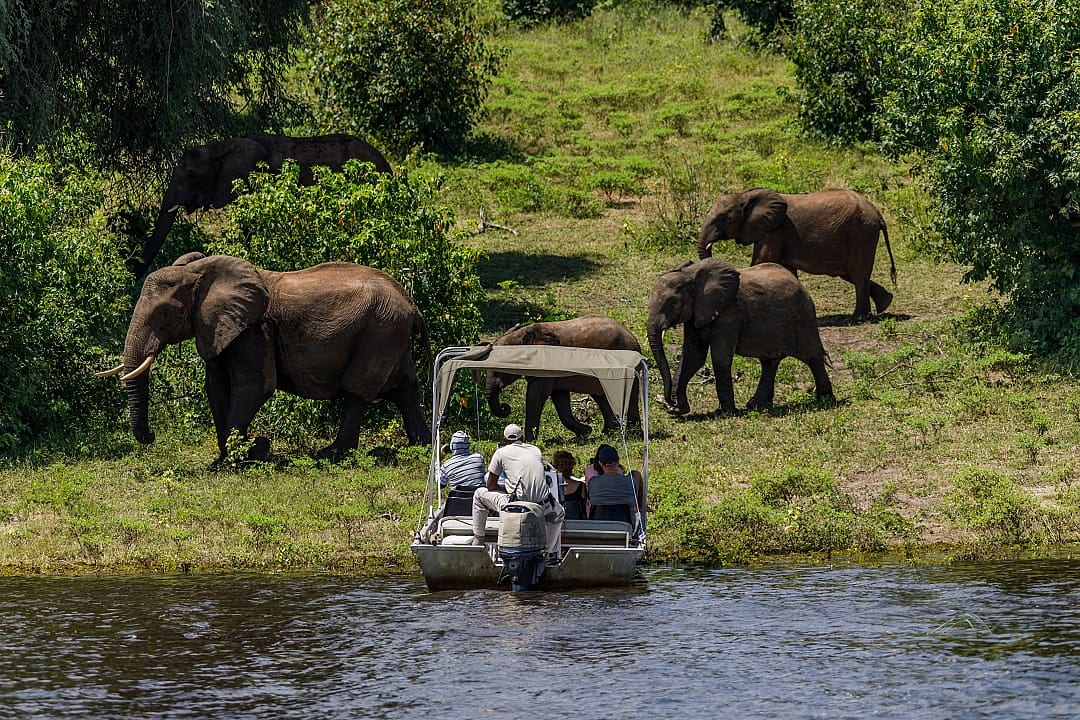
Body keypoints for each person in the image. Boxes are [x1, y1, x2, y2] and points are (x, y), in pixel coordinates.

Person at [472, 423, 565, 562]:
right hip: (542, 506)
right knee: (559, 513)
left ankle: (478, 541)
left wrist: (507, 488)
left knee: (479, 494)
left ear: (505, 441)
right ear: (523, 439)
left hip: (515, 505)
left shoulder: (501, 452)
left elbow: (490, 486)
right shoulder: (535, 450)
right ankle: (548, 552)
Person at [586, 444, 644, 537]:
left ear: (600, 463)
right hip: (625, 529)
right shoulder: (630, 481)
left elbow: (590, 500)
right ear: (618, 462)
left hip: (598, 529)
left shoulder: (593, 482)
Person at [552, 450, 587, 521]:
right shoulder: (581, 486)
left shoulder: (550, 487)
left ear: (555, 466)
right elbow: (584, 509)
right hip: (577, 525)